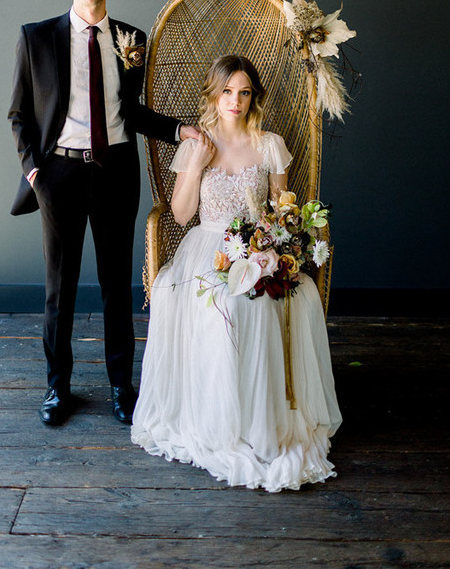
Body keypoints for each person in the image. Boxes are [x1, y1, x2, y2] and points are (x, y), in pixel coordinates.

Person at [8, 0, 199, 427]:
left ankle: (121, 388)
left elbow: (131, 113)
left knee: (117, 284)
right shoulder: (36, 38)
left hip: (115, 172)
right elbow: (19, 114)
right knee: (60, 287)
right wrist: (35, 171)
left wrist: (180, 130)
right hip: (60, 175)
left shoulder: (131, 39)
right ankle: (57, 389)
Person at [131, 55, 342, 491]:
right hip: (206, 245)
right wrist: (195, 164)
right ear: (214, 94)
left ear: (253, 97)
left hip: (255, 244)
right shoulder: (196, 144)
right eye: (228, 91)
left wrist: (272, 247)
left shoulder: (270, 144)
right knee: (215, 301)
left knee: (270, 298)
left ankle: (261, 417)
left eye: (244, 92)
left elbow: (282, 209)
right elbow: (182, 213)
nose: (236, 100)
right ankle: (220, 418)